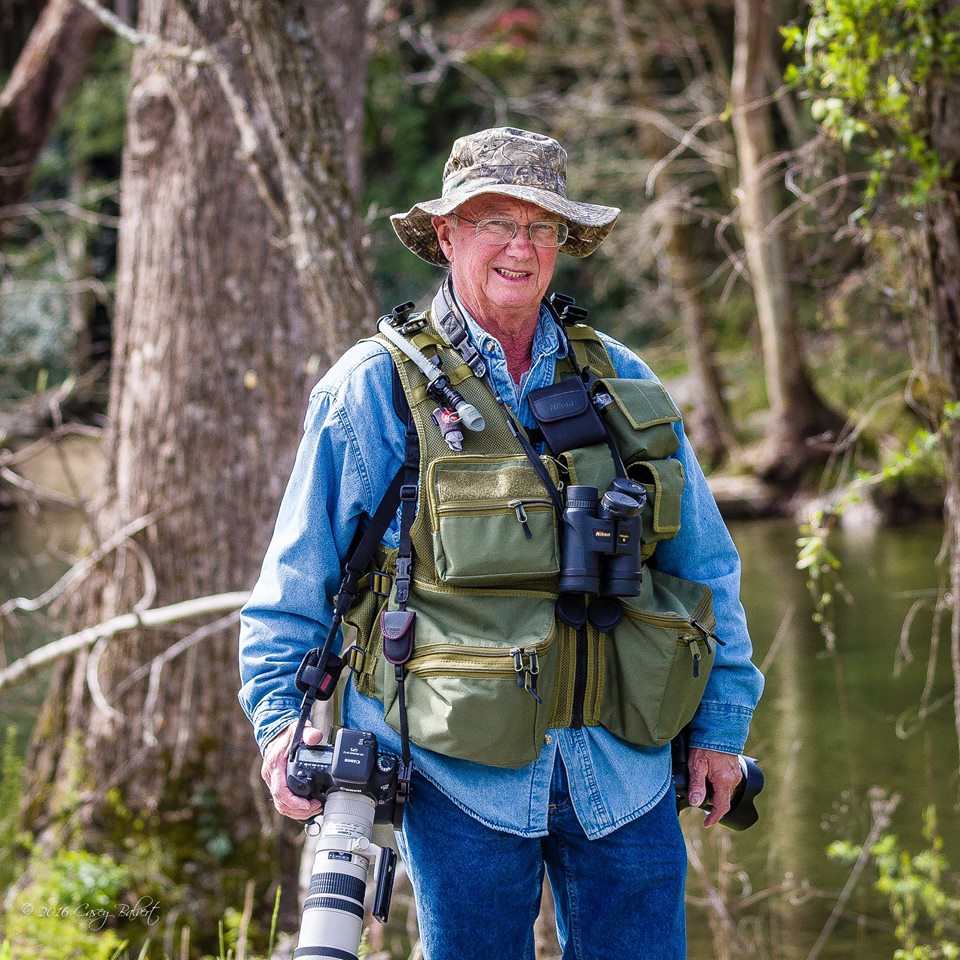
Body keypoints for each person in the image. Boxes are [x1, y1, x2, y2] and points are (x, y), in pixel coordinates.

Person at [239, 127, 764, 960]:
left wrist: (722, 726)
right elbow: (292, 591)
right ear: (447, 235)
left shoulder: (624, 379)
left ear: (562, 241)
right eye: (494, 221)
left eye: (542, 225)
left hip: (623, 769)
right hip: (456, 777)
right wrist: (281, 727)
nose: (520, 246)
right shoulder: (370, 390)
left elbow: (705, 567)